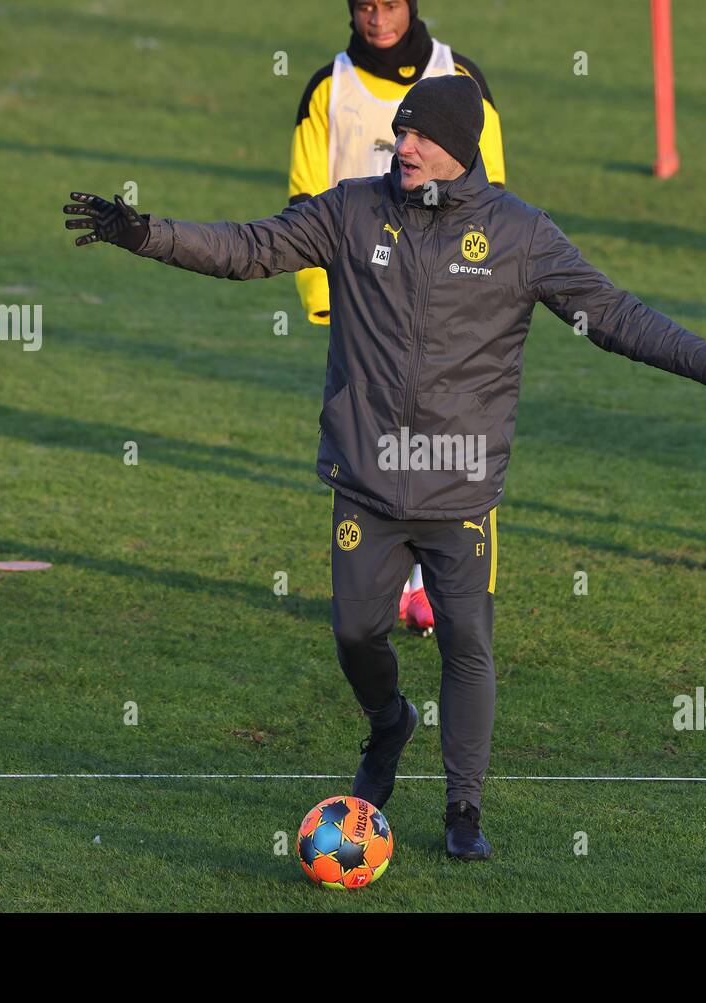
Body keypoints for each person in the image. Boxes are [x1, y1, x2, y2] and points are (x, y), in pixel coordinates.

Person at [65, 75, 706, 859]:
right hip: (368, 478)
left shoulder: (520, 235)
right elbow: (250, 247)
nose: (401, 146)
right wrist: (147, 234)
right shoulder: (351, 210)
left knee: (467, 644)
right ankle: (390, 723)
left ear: (459, 147)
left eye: (418, 136)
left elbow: (613, 315)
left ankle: (465, 810)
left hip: (459, 487)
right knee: (354, 632)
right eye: (398, 132)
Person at [290, 0, 508, 635]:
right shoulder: (329, 88)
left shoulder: (460, 78)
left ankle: (441, 592)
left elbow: (492, 199)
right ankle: (384, 585)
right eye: (364, 7)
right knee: (371, 448)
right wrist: (322, 297)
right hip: (361, 300)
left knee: (452, 442)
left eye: (388, 5)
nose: (376, 18)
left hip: (446, 300)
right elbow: (303, 198)